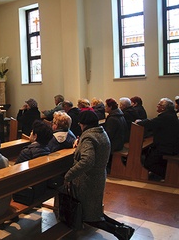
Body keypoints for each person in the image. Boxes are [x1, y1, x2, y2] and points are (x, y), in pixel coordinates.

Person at [64, 111, 134, 240]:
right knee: (95, 211)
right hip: (98, 177)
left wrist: (69, 175)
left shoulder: (89, 137)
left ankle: (120, 231)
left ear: (83, 124)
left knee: (89, 216)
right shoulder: (100, 133)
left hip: (88, 181)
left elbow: (87, 160)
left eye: (80, 123)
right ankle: (124, 228)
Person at [136, 98, 179, 181]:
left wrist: (139, 122)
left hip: (168, 147)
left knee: (148, 163)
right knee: (150, 153)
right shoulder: (170, 114)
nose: (157, 106)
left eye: (159, 104)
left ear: (163, 108)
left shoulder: (166, 116)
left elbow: (151, 123)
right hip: (169, 145)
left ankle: (168, 175)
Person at [104, 98, 128, 171]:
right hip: (120, 142)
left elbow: (109, 135)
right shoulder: (120, 115)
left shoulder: (112, 118)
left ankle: (107, 168)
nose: (104, 108)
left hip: (115, 145)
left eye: (106, 106)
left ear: (110, 107)